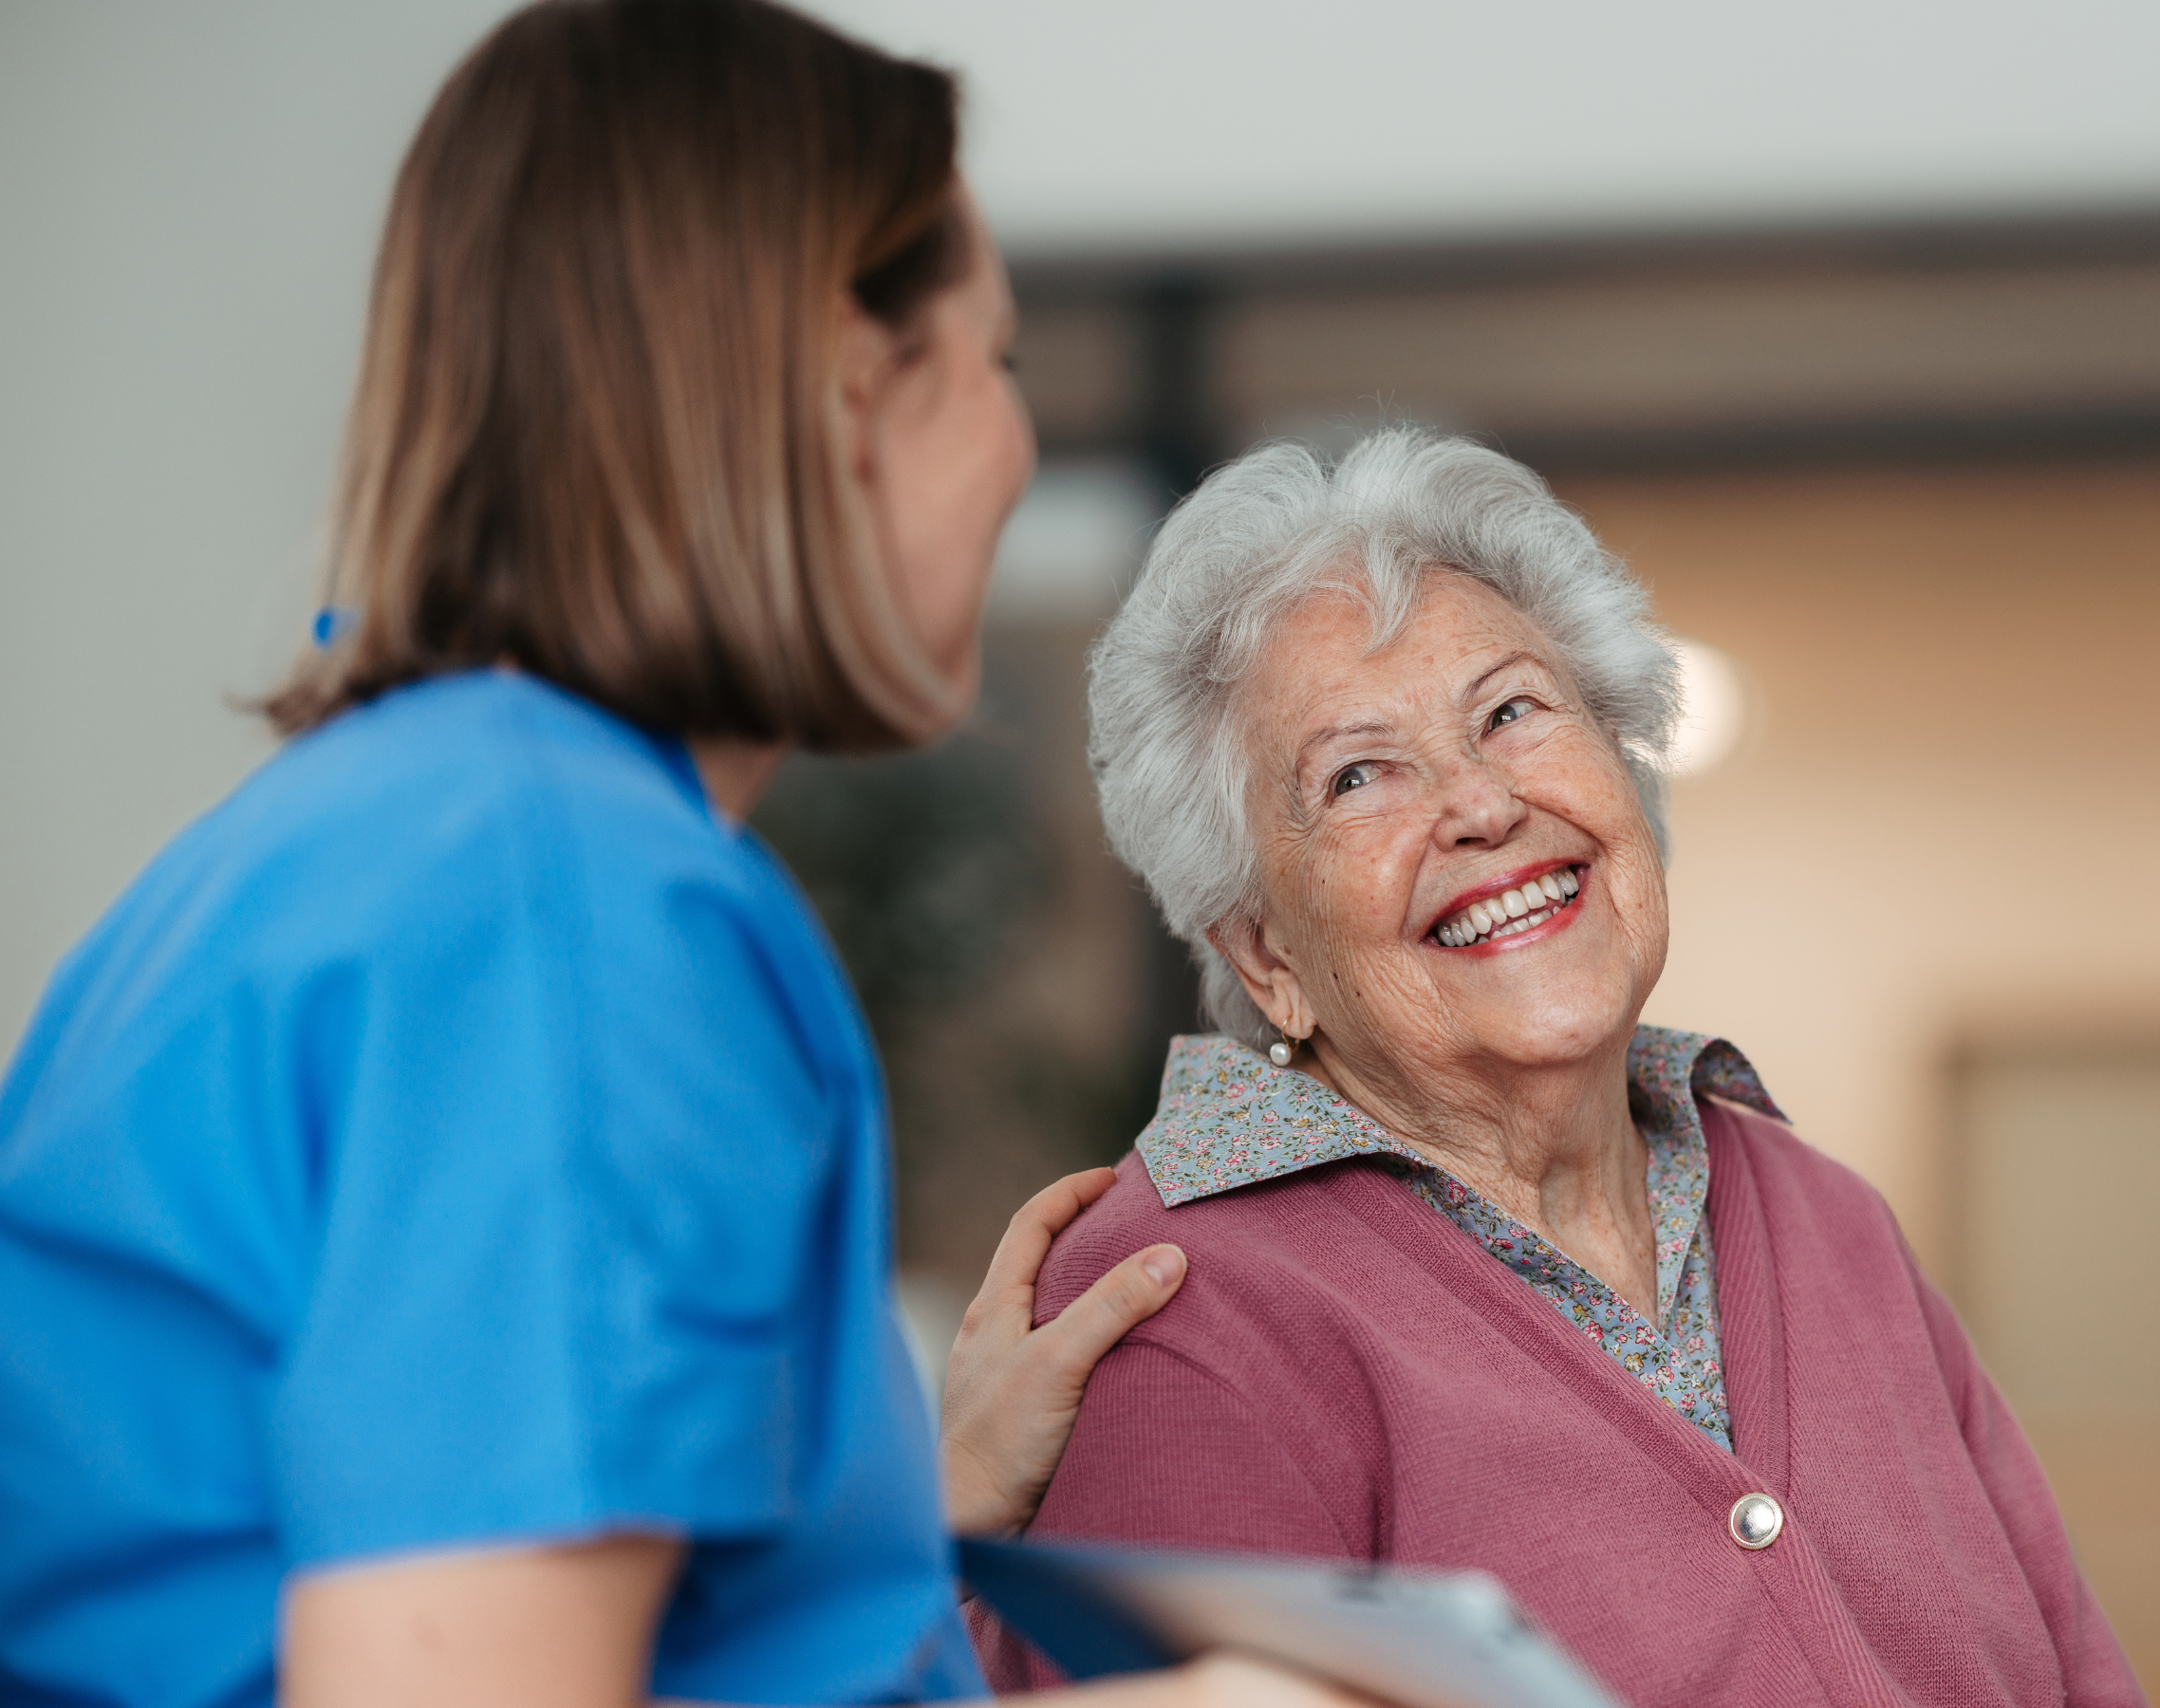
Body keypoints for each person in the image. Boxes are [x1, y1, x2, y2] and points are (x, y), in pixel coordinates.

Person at [0, 3, 1346, 1704]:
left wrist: (884, 1524)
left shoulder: (372, 836)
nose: (1014, 449)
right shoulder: (568, 914)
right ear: (854, 393)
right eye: (996, 363)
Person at [972, 429, 2149, 1706]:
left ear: (1626, 771)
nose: (1480, 804)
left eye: (1512, 712)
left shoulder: (1826, 1218)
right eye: (1358, 776)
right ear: (1264, 953)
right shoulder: (1175, 1307)